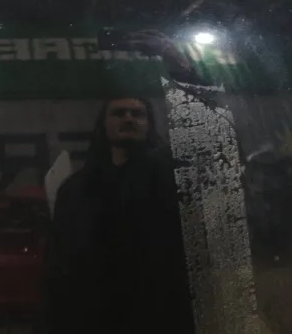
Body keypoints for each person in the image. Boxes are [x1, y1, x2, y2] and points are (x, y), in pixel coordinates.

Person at [36, 97, 194, 334]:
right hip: (93, 315)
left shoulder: (175, 181)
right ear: (104, 123)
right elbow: (59, 261)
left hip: (159, 313)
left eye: (137, 114)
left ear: (149, 124)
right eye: (119, 113)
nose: (128, 119)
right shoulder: (76, 189)